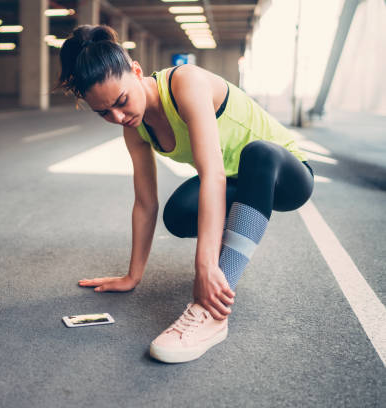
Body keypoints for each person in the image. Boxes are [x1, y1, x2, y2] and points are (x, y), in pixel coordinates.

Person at [57, 25, 314, 363]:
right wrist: (133, 275)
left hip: (285, 173)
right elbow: (146, 203)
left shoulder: (185, 83)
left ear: (136, 70)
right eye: (104, 113)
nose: (118, 116)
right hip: (238, 179)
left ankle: (212, 311)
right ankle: (235, 235)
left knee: (258, 153)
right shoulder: (135, 126)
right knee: (178, 214)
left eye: (121, 101)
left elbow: (213, 176)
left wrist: (205, 266)